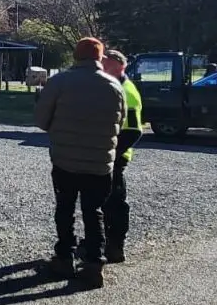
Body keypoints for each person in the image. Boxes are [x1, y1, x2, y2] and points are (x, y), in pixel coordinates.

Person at [33, 37, 125, 288]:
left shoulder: (60, 82)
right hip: (100, 163)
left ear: (76, 55)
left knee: (65, 209)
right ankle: (95, 264)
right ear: (99, 57)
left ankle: (64, 258)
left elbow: (41, 121)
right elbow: (122, 121)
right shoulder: (115, 86)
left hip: (66, 161)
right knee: (93, 211)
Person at [100, 49, 143, 263]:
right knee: (101, 201)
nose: (101, 67)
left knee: (116, 202)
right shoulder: (110, 86)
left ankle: (116, 246)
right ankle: (102, 241)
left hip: (116, 155)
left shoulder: (127, 91)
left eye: (105, 63)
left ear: (119, 66)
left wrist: (115, 155)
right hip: (105, 153)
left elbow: (134, 130)